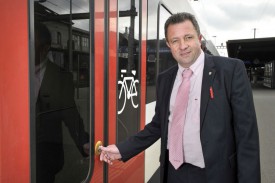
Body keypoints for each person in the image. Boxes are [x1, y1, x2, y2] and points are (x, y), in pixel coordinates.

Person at [100, 12, 260, 183]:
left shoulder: (230, 71)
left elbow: (247, 138)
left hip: (214, 174)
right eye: (175, 40)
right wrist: (121, 149)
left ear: (199, 38)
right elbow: (158, 126)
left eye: (188, 37)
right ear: (169, 44)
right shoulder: (165, 78)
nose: (182, 45)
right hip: (173, 173)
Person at [35, 22, 90, 183]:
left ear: (45, 48)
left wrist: (84, 143)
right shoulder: (15, 71)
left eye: (33, 42)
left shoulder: (61, 77)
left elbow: (70, 114)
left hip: (45, 153)